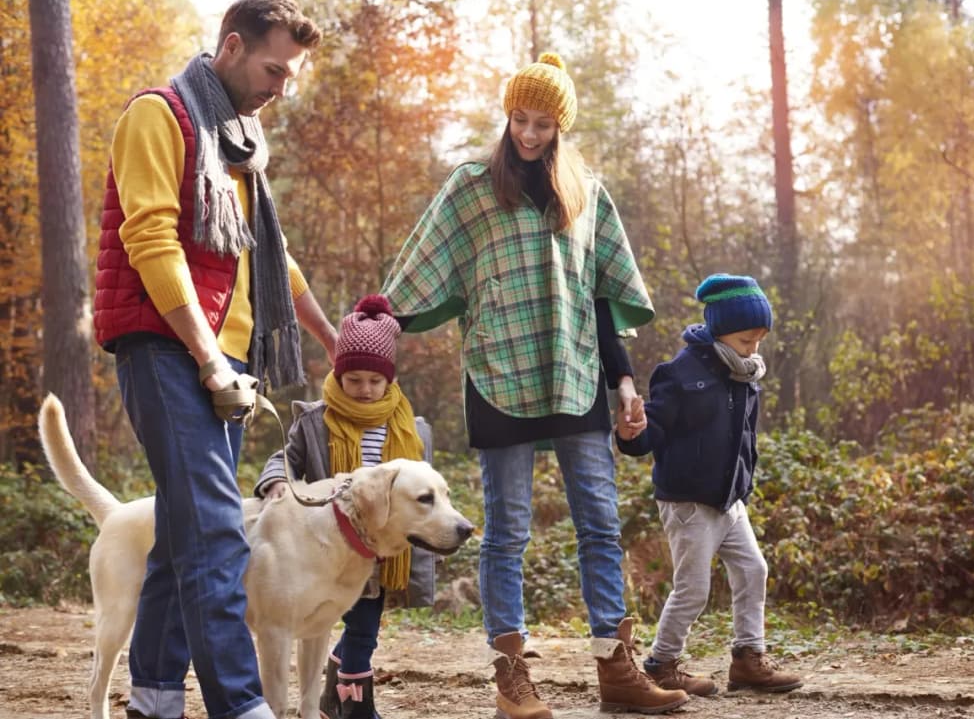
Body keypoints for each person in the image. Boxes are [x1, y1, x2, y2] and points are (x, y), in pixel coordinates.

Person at [380, 52, 688, 718]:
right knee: (507, 532)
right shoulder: (472, 187)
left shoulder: (585, 192)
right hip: (499, 374)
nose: (527, 133)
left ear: (560, 126)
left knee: (600, 524)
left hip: (575, 372)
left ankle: (616, 667)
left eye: (542, 123)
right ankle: (511, 677)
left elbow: (600, 294)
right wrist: (374, 325)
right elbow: (419, 268)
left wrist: (624, 381)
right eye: (519, 119)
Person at [91, 1, 337, 718]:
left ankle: (154, 698)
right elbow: (152, 241)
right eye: (273, 70)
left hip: (227, 358)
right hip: (167, 347)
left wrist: (330, 336)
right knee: (219, 532)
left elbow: (271, 256)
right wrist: (207, 356)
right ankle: (241, 704)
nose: (281, 88)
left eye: (290, 77)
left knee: (182, 534)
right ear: (231, 47)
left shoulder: (238, 145)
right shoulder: (157, 116)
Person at [615, 273, 804, 695]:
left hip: (729, 500)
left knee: (754, 570)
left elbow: (745, 438)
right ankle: (662, 664)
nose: (753, 349)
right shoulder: (680, 373)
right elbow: (651, 433)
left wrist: (744, 483)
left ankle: (748, 660)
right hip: (689, 502)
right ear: (719, 330)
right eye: (745, 340)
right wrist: (631, 434)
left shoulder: (745, 375)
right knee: (694, 589)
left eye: (759, 341)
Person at [254, 294, 433, 719]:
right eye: (354, 380)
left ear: (389, 381)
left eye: (375, 380)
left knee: (364, 628)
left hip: (381, 545)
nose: (365, 390)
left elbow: (422, 487)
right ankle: (350, 702)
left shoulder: (411, 430)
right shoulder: (316, 422)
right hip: (329, 548)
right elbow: (285, 459)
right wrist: (276, 481)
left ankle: (345, 689)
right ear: (339, 374)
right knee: (333, 620)